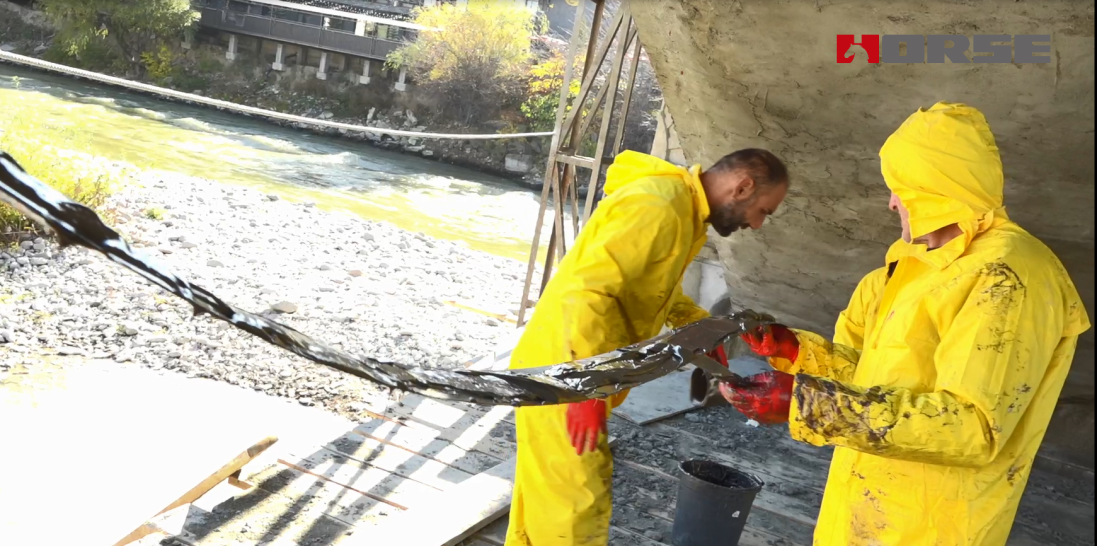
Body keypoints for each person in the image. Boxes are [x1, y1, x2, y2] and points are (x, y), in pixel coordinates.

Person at [720, 102, 1091, 546]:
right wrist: (798, 353)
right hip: (865, 502)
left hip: (931, 524)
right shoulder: (914, 269)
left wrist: (806, 406)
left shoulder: (1009, 275)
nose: (891, 201)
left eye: (900, 188)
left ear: (935, 189)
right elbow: (879, 380)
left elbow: (971, 427)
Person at [504, 148, 790, 546]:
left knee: (544, 503)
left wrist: (705, 334)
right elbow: (587, 294)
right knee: (572, 511)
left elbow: (657, 292)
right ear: (742, 187)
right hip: (565, 372)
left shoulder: (681, 211)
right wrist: (582, 389)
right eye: (764, 210)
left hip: (570, 367)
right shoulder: (659, 205)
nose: (757, 224)